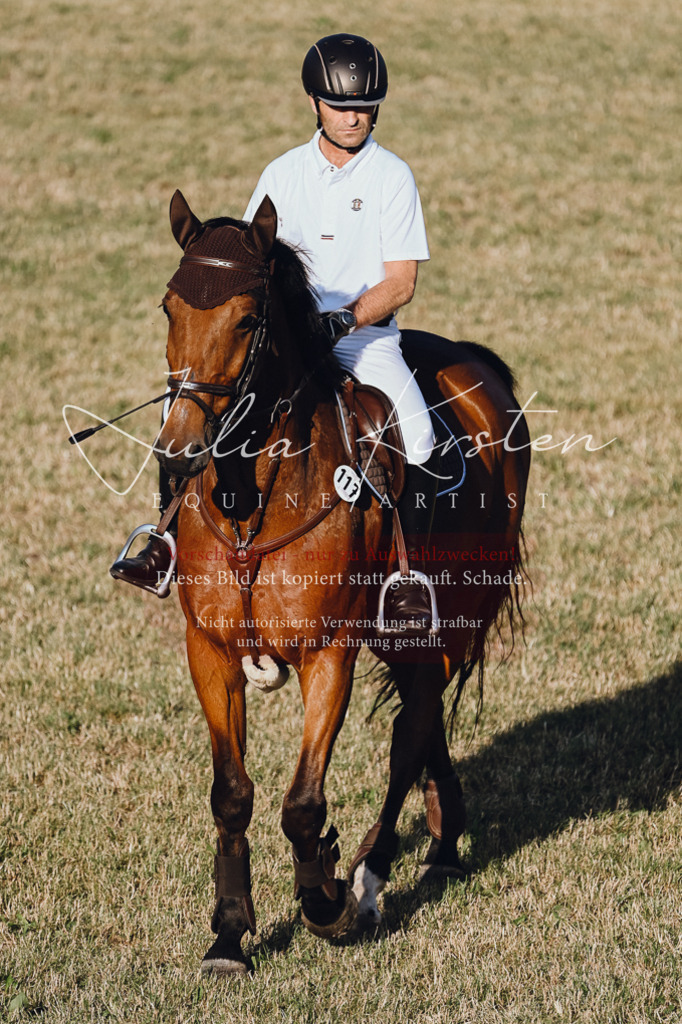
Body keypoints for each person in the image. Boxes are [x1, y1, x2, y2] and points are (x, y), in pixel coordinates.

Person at [111, 33, 440, 633]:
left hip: (365, 341)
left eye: (366, 105)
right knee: (188, 411)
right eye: (341, 105)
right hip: (286, 341)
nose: (354, 116)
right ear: (314, 102)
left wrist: (344, 318)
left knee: (417, 438)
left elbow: (401, 283)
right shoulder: (282, 174)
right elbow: (248, 262)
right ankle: (163, 543)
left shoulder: (394, 177)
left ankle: (406, 577)